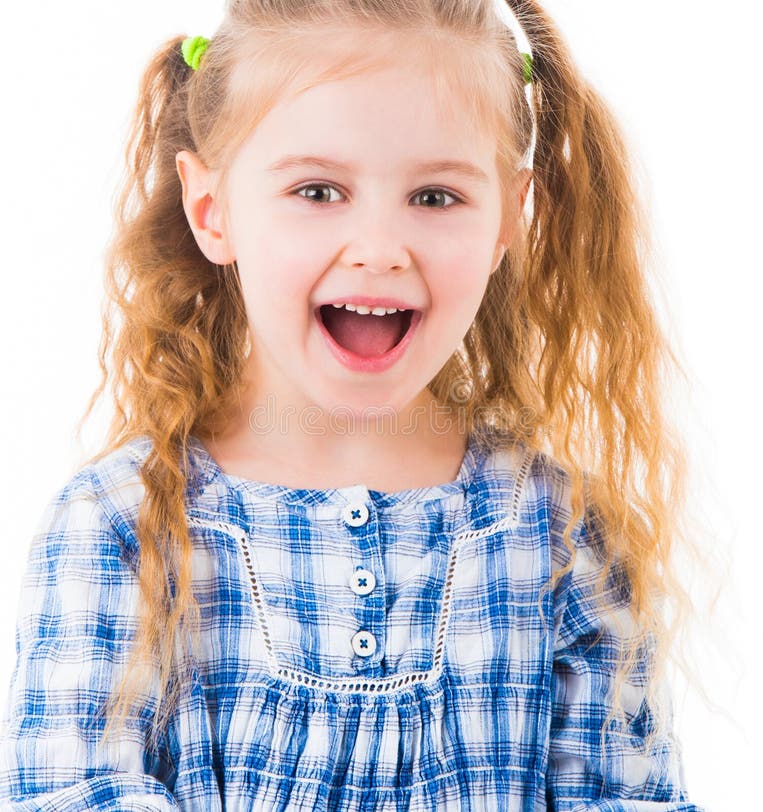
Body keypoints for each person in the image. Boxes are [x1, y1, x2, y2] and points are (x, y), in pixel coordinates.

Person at [0, 0, 706, 809]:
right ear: (212, 208)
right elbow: (70, 791)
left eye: (436, 197)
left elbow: (627, 794)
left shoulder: (561, 535)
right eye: (318, 190)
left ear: (514, 213)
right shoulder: (119, 528)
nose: (379, 248)